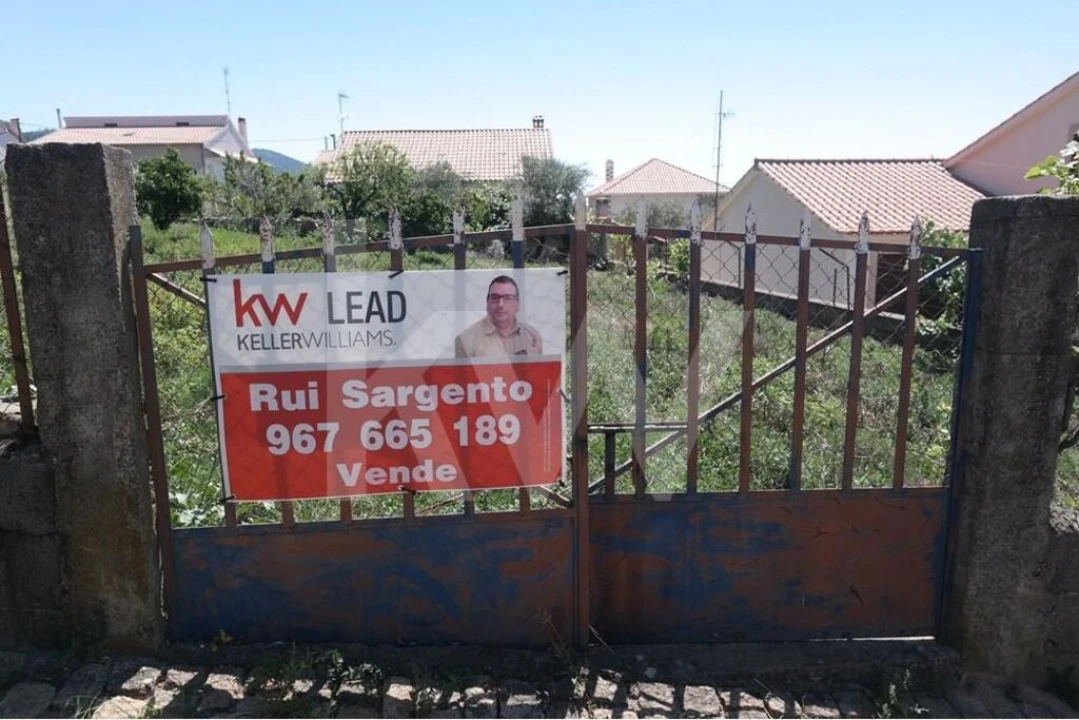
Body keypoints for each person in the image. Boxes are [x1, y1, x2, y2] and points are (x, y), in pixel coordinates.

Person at [454, 275, 543, 359]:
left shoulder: (532, 336)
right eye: (495, 297)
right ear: (487, 302)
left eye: (508, 298)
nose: (500, 304)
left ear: (517, 303)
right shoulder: (466, 341)